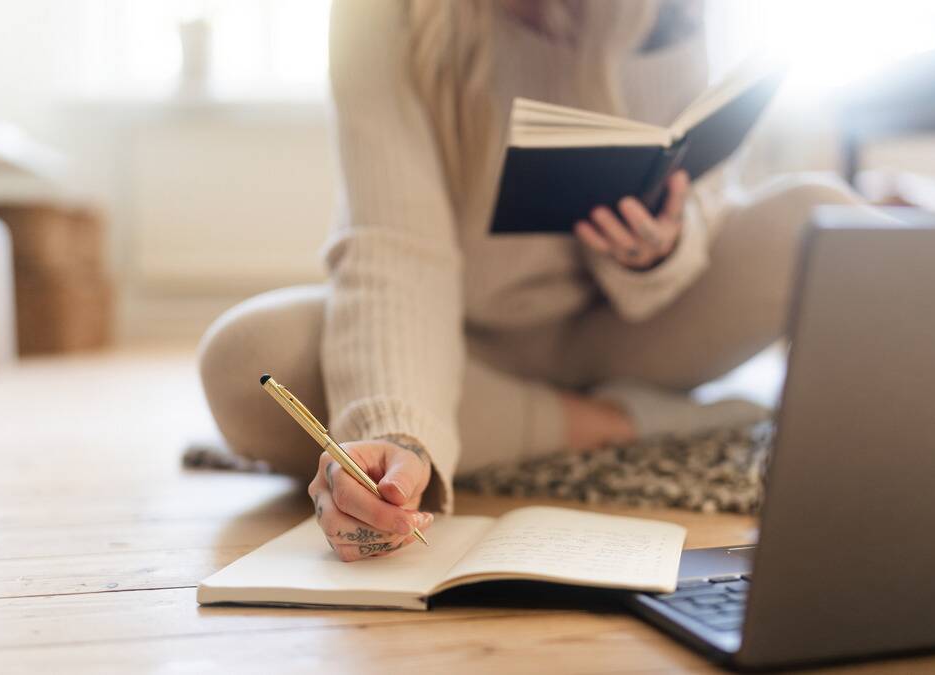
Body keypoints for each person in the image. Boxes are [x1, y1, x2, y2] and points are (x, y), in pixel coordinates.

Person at [197, 0, 862, 562]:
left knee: (824, 217)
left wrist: (660, 248)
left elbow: (706, 191)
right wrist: (396, 434)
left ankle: (555, 418)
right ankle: (612, 422)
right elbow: (395, 248)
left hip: (629, 329)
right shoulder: (384, 14)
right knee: (248, 362)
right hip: (462, 349)